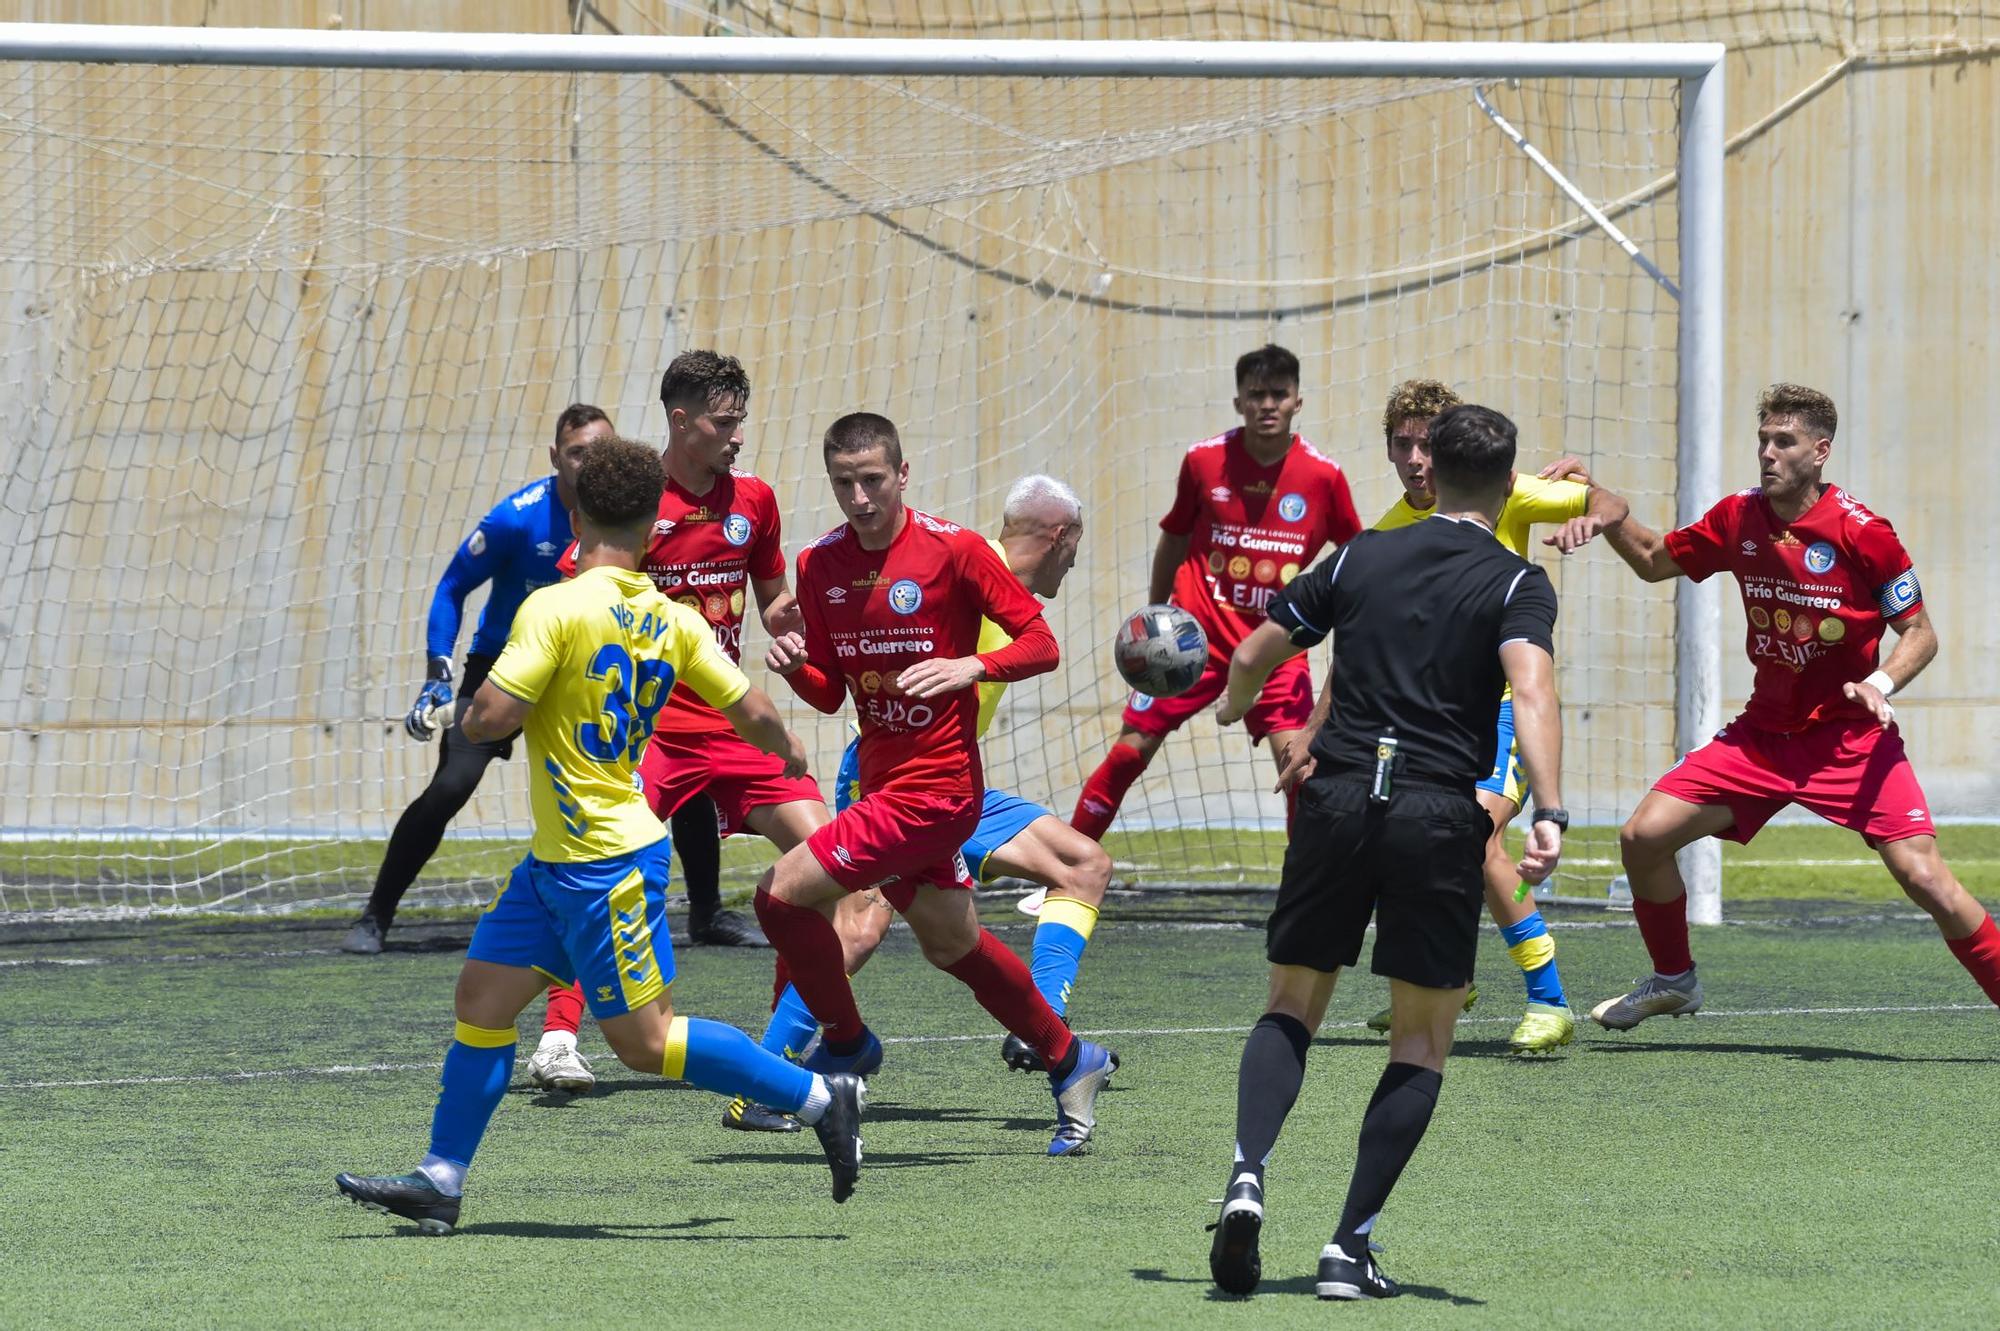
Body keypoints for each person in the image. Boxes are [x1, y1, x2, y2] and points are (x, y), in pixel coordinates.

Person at [334, 435, 865, 1235]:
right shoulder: (673, 617)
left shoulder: (553, 605)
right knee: (481, 998)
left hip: (606, 862)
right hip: (558, 860)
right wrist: (787, 749)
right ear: (655, 526)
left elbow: (493, 716)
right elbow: (750, 708)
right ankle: (441, 1180)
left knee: (645, 1045)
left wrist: (465, 708)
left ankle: (820, 1096)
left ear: (575, 514)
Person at [1205, 404, 1566, 1300]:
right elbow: (1532, 690)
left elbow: (1256, 648)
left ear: (1431, 471)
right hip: (1436, 815)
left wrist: (1229, 702)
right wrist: (1548, 807)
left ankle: (1248, 1173)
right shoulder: (1519, 581)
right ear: (1510, 483)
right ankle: (1347, 1246)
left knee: (1292, 1002)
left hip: (1335, 801)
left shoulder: (1360, 553)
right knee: (1421, 1036)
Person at [1544, 383, 2000, 1027]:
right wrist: (1607, 508)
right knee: (1643, 837)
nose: (1767, 453)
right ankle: (1674, 979)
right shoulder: (1739, 516)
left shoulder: (1863, 532)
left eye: (1783, 441)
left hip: (1850, 742)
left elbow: (1921, 634)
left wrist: (1881, 685)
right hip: (1762, 738)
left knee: (1926, 880)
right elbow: (1652, 561)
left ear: (1820, 452)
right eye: (1762, 439)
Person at [753, 414, 1117, 1156]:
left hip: (939, 790)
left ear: (903, 474)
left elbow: (1040, 642)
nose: (859, 497)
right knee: (955, 944)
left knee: (780, 894)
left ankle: (846, 1042)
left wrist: (971, 666)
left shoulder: (955, 551)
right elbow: (831, 693)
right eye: (844, 482)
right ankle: (1071, 1058)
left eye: (873, 480)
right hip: (882, 780)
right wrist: (797, 665)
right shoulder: (820, 565)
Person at [526, 352, 840, 1103]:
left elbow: (771, 598)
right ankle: (559, 1037)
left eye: (740, 423)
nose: (736, 437)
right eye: (723, 423)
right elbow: (584, 593)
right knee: (596, 873)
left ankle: (781, 1042)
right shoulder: (638, 501)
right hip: (650, 730)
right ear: (680, 419)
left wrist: (788, 623)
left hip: (731, 722)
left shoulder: (755, 500)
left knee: (826, 856)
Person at [1279, 378, 1616, 1054]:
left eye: (1426, 444)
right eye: (1401, 444)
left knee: (1474, 840)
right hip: (1426, 732)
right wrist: (1315, 730)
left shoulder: (1510, 494)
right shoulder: (1387, 531)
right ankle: (1450, 975)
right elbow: (1354, 651)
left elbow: (1608, 497)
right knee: (1409, 836)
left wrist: (1593, 515)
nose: (1415, 459)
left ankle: (1549, 997)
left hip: (1495, 715)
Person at [341, 404, 612, 957]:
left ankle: (699, 913)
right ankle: (376, 916)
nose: (589, 463)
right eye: (578, 451)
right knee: (451, 786)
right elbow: (451, 587)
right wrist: (437, 672)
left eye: (600, 451)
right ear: (556, 456)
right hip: (503, 667)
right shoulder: (517, 518)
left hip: (583, 670)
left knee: (640, 788)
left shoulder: (627, 516)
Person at [1070, 344, 1361, 841]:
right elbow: (1176, 537)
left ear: (1297, 401)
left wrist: (1326, 611)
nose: (1267, 405)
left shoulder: (1324, 476)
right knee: (1128, 752)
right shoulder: (1204, 461)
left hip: (1276, 646)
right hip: (1190, 641)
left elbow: (1356, 557)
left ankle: (1302, 894)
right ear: (1239, 402)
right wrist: (1155, 614)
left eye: (1278, 395)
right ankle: (1065, 867)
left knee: (1299, 768)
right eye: (1255, 395)